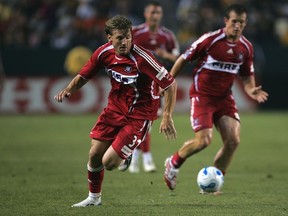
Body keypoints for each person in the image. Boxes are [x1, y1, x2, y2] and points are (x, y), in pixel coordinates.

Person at [54, 15, 177, 207]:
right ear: (109, 38)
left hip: (139, 115)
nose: (125, 42)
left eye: (128, 36)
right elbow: (83, 76)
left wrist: (167, 116)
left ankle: (125, 155)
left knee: (109, 163)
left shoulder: (143, 58)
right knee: (94, 154)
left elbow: (170, 84)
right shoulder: (103, 53)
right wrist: (69, 90)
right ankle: (94, 198)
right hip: (114, 109)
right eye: (120, 38)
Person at [163, 4, 268, 193]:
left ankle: (214, 182)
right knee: (203, 141)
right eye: (234, 21)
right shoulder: (210, 40)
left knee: (233, 140)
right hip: (202, 97)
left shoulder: (246, 47)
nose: (237, 26)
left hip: (225, 98)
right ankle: (174, 162)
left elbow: (246, 75)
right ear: (226, 21)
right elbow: (182, 59)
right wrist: (168, 81)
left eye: (241, 23)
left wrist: (251, 89)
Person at [127, 1, 180, 173]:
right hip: (137, 82)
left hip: (157, 83)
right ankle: (141, 157)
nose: (155, 15)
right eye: (152, 12)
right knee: (140, 119)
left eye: (158, 12)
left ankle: (137, 156)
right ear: (146, 14)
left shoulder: (168, 36)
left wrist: (166, 55)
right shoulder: (135, 33)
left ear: (161, 15)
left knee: (148, 119)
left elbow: (177, 58)